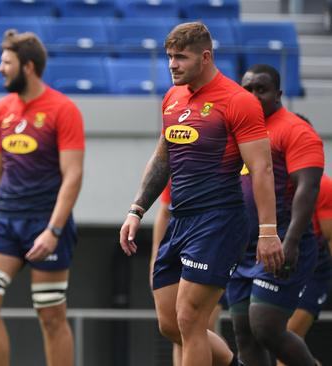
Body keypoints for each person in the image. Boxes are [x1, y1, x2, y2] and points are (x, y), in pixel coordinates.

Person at [119, 22, 282, 366]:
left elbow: (262, 170)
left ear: (205, 57)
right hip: (180, 220)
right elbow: (164, 156)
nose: (172, 65)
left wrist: (268, 231)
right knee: (170, 324)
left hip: (219, 221)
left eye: (181, 57)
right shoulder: (173, 97)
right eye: (169, 57)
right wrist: (136, 209)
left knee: (191, 319)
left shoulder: (239, 101)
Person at [0, 29, 84, 366]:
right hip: (4, 221)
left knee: (51, 316)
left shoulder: (64, 109)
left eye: (6, 62)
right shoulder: (2, 109)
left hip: (45, 221)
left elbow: (73, 175)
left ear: (28, 67)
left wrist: (54, 230)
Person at [227, 64, 324, 366]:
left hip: (281, 242)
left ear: (279, 94)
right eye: (247, 89)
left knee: (266, 326)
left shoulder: (295, 130)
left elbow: (307, 190)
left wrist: (291, 241)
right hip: (242, 248)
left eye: (262, 89)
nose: (254, 96)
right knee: (244, 333)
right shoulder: (237, 131)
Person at [150, 183, 225, 366]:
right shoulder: (181, 160)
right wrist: (155, 257)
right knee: (180, 328)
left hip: (215, 242)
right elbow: (165, 211)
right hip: (183, 247)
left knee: (197, 324)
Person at [277, 173, 332, 366]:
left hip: (315, 273)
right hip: (282, 269)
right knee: (271, 339)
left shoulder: (322, 185)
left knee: (285, 338)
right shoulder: (269, 179)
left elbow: (330, 237)